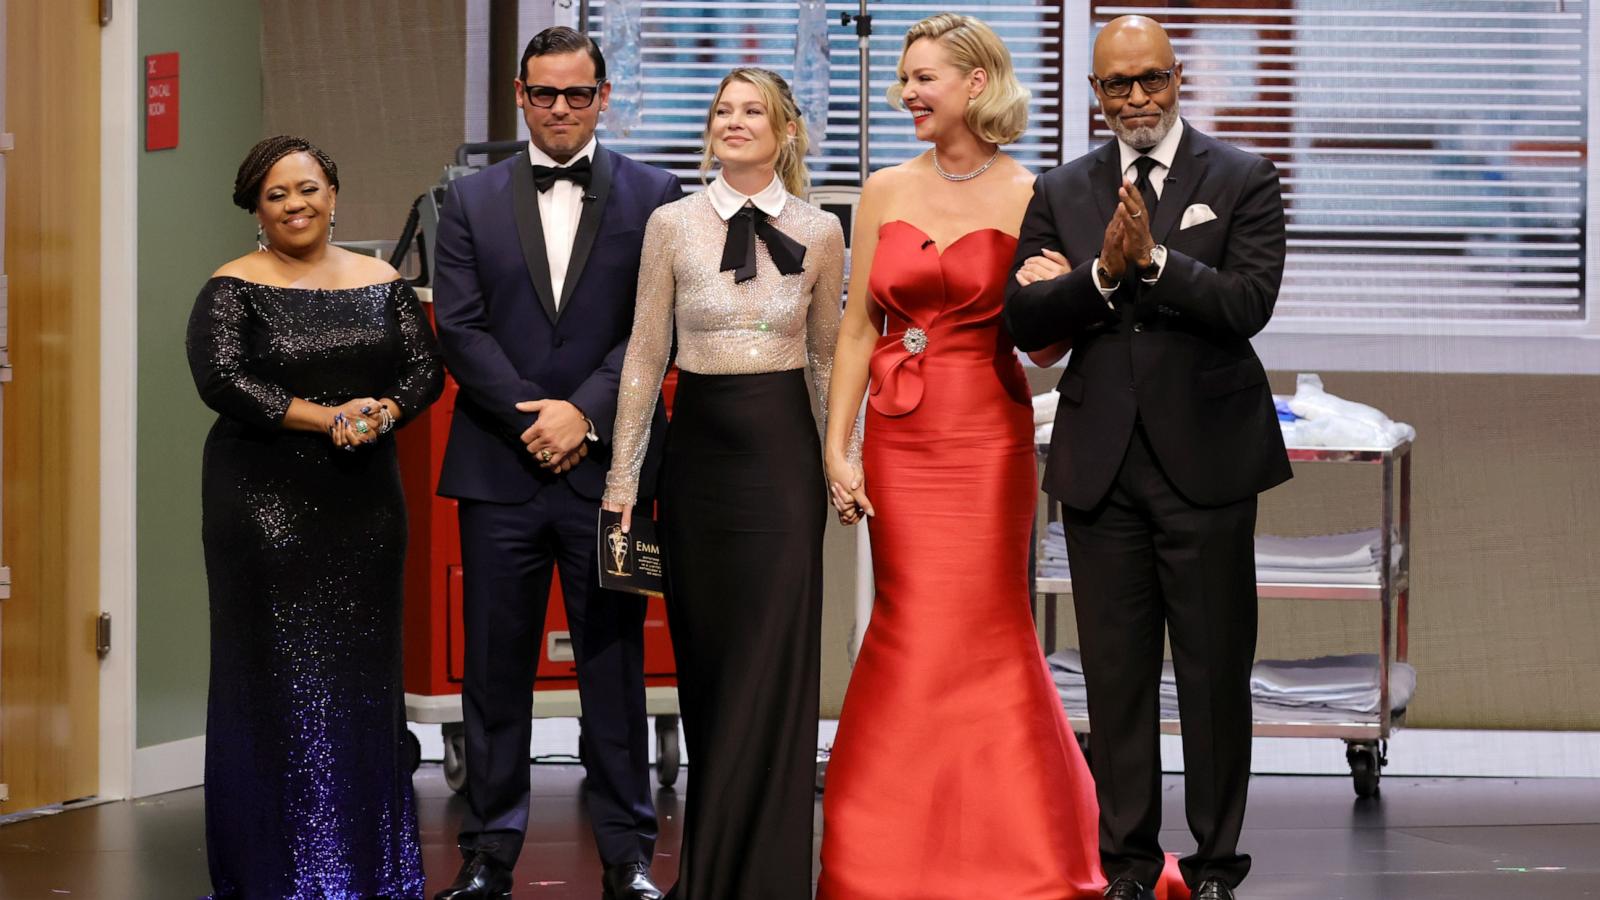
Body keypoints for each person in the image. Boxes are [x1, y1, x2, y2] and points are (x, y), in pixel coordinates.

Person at [815, 15, 1189, 900]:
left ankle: (1019, 848)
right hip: (900, 435)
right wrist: (839, 445)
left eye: (923, 77)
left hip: (986, 437)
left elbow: (1048, 347)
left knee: (984, 633)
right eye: (904, 78)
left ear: (975, 83)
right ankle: (890, 854)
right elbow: (857, 328)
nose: (908, 92)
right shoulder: (879, 190)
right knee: (909, 628)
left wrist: (1047, 296)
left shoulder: (1035, 192)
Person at [1003, 14, 1292, 900]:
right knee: (1117, 681)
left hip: (1205, 464)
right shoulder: (1062, 186)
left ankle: (1213, 869)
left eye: (1150, 80)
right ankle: (1125, 866)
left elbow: (1247, 304)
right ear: (1095, 93)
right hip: (1101, 466)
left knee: (1211, 679)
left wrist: (1154, 259)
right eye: (1116, 84)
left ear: (1176, 80)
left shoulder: (1241, 176)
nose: (1135, 97)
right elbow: (1024, 319)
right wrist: (1096, 275)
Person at [429, 26, 682, 900]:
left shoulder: (658, 195)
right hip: (500, 468)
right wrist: (540, 418)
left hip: (613, 473)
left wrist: (586, 413)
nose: (563, 108)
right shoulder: (466, 202)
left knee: (615, 670)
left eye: (579, 94)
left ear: (603, 95)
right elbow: (459, 328)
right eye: (546, 94)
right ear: (519, 94)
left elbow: (660, 328)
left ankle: (627, 855)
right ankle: (488, 854)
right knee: (494, 670)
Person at [601, 68, 845, 900]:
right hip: (696, 464)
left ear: (785, 131)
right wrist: (623, 479)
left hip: (781, 468)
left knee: (768, 670)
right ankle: (711, 871)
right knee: (708, 671)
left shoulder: (821, 231)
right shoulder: (670, 224)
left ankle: (768, 879)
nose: (733, 123)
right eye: (722, 111)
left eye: (752, 111)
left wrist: (840, 459)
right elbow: (643, 356)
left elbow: (824, 360)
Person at [187, 135, 443, 899]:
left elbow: (422, 370)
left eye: (307, 189)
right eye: (276, 195)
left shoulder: (383, 279)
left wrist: (382, 412)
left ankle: (365, 875)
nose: (295, 205)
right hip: (262, 510)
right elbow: (222, 380)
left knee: (362, 688)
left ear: (333, 195)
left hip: (364, 507)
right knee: (269, 684)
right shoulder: (232, 286)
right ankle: (270, 878)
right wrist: (322, 416)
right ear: (256, 211)